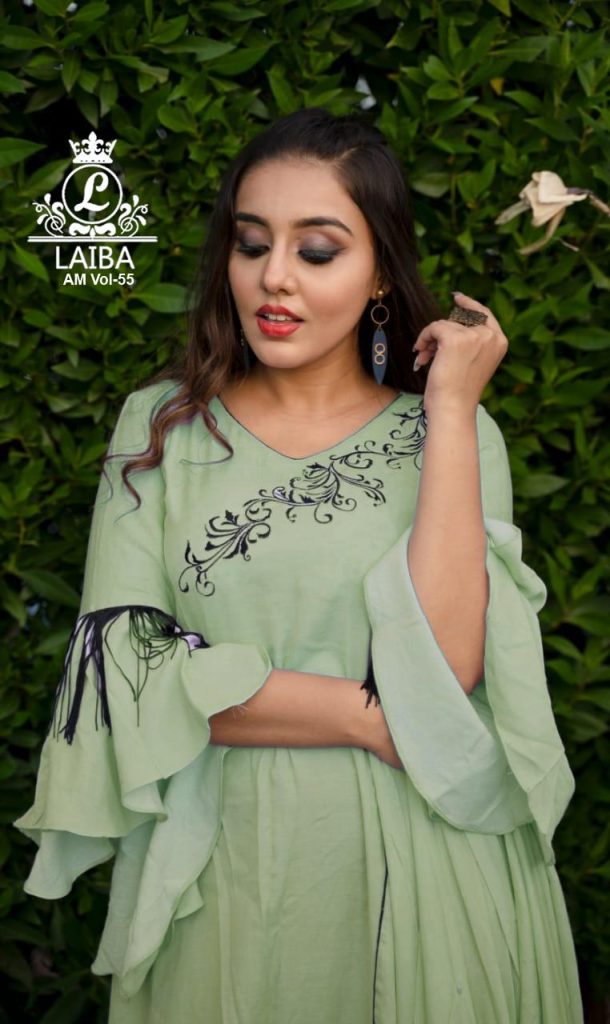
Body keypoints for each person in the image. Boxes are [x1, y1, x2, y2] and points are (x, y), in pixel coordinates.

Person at [14, 107, 584, 1023]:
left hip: (427, 869)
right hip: (224, 872)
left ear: (379, 274)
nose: (273, 277)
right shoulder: (161, 428)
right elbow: (123, 677)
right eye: (251, 244)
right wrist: (367, 716)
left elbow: (447, 673)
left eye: (316, 251)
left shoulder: (455, 434)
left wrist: (448, 408)